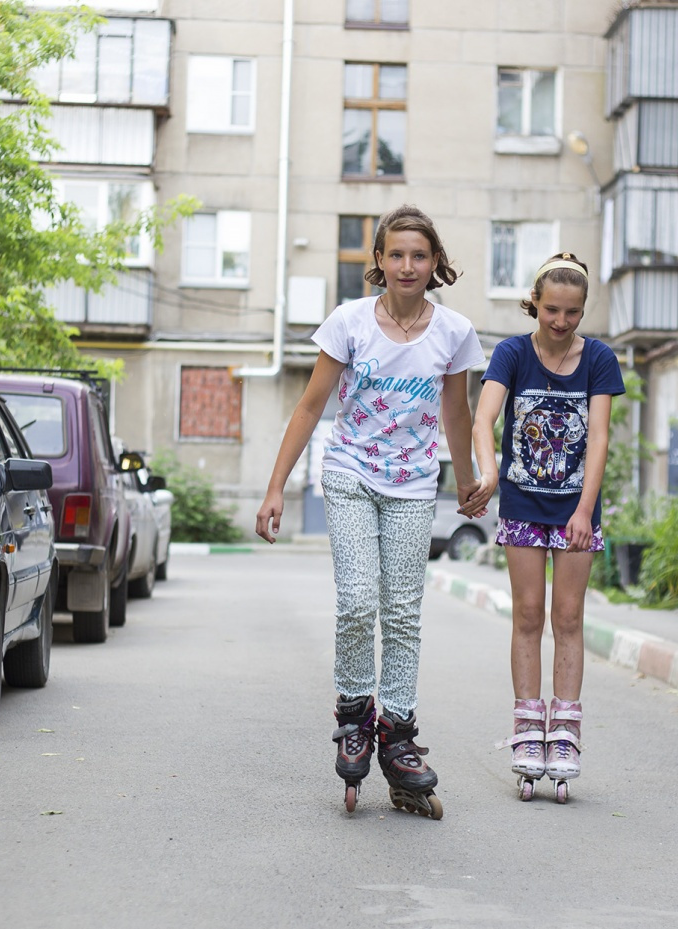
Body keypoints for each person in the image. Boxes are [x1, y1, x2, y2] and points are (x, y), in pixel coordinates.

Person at [254, 205, 483, 819]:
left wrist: (466, 480)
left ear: (435, 263)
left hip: (413, 485)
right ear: (378, 261)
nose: (407, 265)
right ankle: (355, 715)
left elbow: (457, 415)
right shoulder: (348, 322)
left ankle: (399, 734)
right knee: (358, 600)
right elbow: (309, 407)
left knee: (403, 612)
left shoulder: (454, 332)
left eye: (419, 254)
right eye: (397, 254)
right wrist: (276, 487)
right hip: (350, 474)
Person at [465, 252, 625, 803]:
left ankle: (565, 735)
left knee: (570, 616)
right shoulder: (512, 353)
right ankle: (529, 730)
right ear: (534, 302)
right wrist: (489, 472)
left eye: (572, 313)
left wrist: (585, 510)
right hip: (523, 504)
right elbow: (484, 417)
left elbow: (599, 438)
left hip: (575, 508)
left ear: (583, 311)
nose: (560, 322)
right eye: (551, 310)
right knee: (529, 615)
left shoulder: (599, 359)